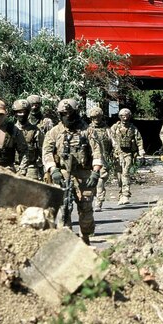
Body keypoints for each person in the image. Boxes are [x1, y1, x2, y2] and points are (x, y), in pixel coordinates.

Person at [42, 99, 102, 244]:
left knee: (86, 209)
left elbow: (97, 152)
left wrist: (95, 172)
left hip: (84, 174)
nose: (67, 116)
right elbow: (47, 152)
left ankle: (86, 237)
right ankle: (66, 239)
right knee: (64, 208)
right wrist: (53, 169)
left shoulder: (88, 131)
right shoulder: (54, 132)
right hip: (62, 174)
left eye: (70, 113)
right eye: (64, 114)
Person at [110, 108, 145, 205]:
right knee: (119, 175)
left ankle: (126, 195)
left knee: (125, 173)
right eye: (122, 116)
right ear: (120, 117)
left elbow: (139, 140)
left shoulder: (133, 128)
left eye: (127, 116)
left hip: (128, 153)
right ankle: (121, 194)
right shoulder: (115, 127)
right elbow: (109, 138)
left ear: (129, 116)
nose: (125, 118)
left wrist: (141, 151)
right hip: (117, 154)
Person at [86, 106, 114, 211]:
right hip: (89, 159)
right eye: (94, 117)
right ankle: (87, 202)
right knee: (89, 181)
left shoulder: (107, 129)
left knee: (101, 180)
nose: (96, 119)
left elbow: (114, 143)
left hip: (103, 158)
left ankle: (99, 202)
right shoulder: (87, 129)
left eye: (98, 117)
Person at [12, 99, 44, 180]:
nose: (22, 114)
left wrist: (44, 169)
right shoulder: (10, 130)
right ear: (15, 113)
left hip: (31, 167)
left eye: (24, 112)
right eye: (19, 112)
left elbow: (42, 151)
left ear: (28, 112)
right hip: (13, 166)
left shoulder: (35, 130)